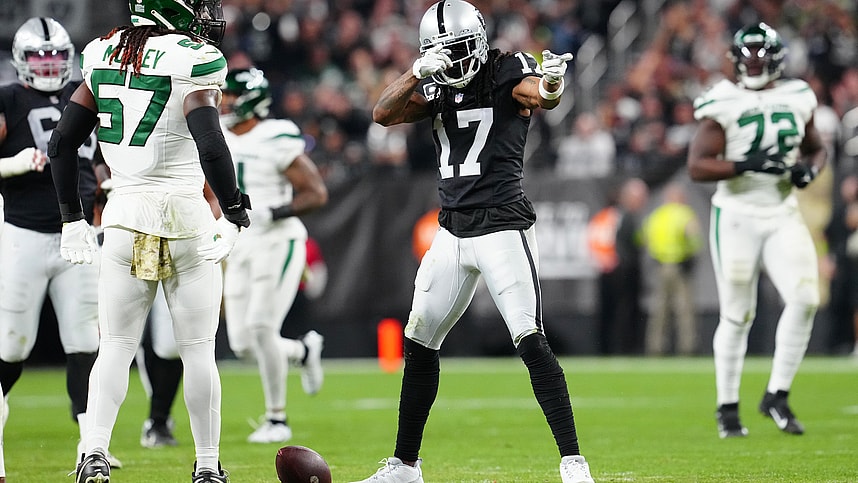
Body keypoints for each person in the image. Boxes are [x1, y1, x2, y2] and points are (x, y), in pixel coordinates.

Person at [351, 1, 593, 482]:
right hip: (452, 229)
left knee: (529, 338)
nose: (455, 59)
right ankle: (405, 467)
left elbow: (540, 96)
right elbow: (382, 113)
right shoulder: (435, 82)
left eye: (460, 48)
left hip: (502, 225)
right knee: (419, 339)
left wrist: (552, 83)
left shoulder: (506, 69)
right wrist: (416, 72)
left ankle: (573, 464)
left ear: (479, 41)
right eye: (443, 52)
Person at [48, 0, 250, 481]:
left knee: (116, 347)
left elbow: (62, 143)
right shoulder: (194, 59)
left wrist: (72, 218)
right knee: (198, 349)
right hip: (184, 216)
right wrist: (234, 210)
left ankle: (94, 451)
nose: (205, 14)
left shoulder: (102, 52)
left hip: (124, 217)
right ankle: (207, 466)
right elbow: (210, 143)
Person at [687, 22, 826, 438]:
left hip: (782, 211)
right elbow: (697, 165)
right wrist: (744, 164)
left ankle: (777, 395)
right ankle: (727, 408)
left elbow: (817, 148)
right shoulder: (723, 99)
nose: (752, 64)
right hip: (736, 214)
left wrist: (809, 171)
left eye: (759, 57)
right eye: (746, 58)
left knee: (805, 298)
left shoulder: (798, 95)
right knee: (737, 313)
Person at [0, 16, 122, 470]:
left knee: (84, 341)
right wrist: (12, 165)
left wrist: (109, 181)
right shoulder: (9, 98)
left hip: (80, 235)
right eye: (39, 57)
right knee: (11, 346)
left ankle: (91, 447)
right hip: (24, 235)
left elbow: (103, 154)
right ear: (21, 60)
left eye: (55, 56)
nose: (49, 65)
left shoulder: (87, 91)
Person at [218, 66, 328, 443]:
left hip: (277, 239)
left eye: (232, 96)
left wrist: (274, 211)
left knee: (262, 327)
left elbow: (316, 193)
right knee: (241, 343)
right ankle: (302, 351)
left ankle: (277, 419)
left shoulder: (275, 136)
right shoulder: (218, 135)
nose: (225, 103)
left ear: (252, 101)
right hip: (240, 242)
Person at [642, 182, 702, 355]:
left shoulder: (656, 215)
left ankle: (655, 346)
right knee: (684, 309)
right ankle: (687, 347)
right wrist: (691, 257)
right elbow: (694, 238)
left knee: (660, 309)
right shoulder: (684, 214)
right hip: (680, 266)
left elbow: (645, 239)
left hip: (660, 266)